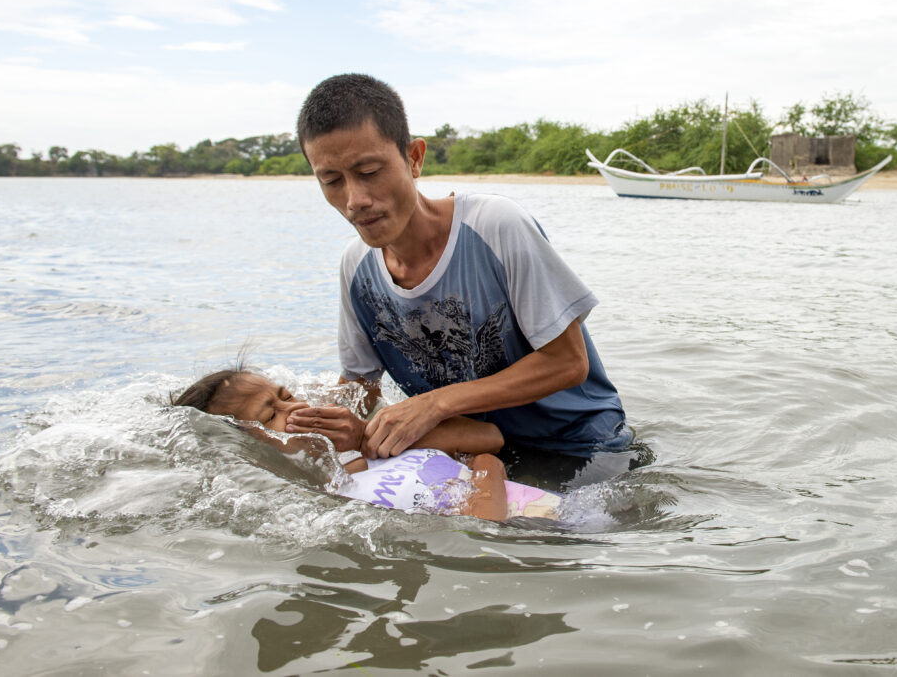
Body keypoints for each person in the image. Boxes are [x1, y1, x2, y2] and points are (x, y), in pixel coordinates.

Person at [287, 73, 635, 477]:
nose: (354, 200)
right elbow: (359, 390)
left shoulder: (495, 226)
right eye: (331, 181)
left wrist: (434, 404)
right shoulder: (356, 267)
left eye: (369, 172)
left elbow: (568, 363)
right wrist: (292, 425)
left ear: (414, 158)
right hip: (473, 452)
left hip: (581, 449)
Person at [171, 369, 561, 522]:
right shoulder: (308, 503)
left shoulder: (374, 438)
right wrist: (488, 469)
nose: (296, 408)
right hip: (534, 543)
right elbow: (484, 528)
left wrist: (363, 438)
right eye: (272, 415)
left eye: (286, 395)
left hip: (567, 519)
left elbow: (490, 439)